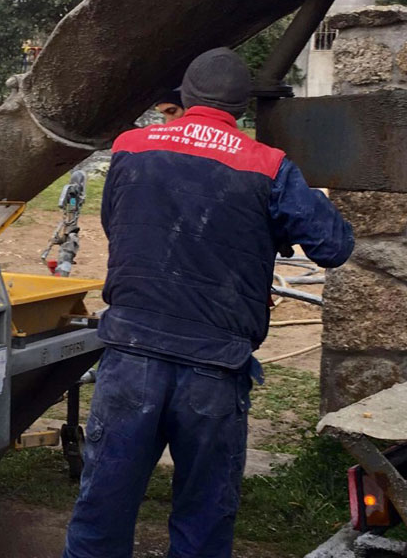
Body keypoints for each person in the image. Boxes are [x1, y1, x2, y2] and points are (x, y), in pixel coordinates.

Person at [63, 48, 354, 558]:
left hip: (129, 357)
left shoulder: (131, 147)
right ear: (242, 109)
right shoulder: (269, 166)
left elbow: (120, 227)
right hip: (214, 372)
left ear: (185, 97)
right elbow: (334, 247)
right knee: (202, 521)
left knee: (101, 512)